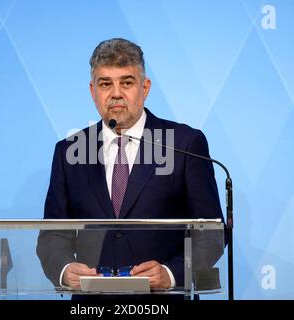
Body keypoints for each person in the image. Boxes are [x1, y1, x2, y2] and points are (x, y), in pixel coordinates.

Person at [36, 38, 224, 297]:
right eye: (105, 84)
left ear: (144, 88)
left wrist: (170, 274)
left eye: (126, 82)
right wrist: (65, 269)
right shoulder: (69, 151)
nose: (115, 93)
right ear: (93, 91)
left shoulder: (183, 144)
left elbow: (211, 233)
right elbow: (52, 235)